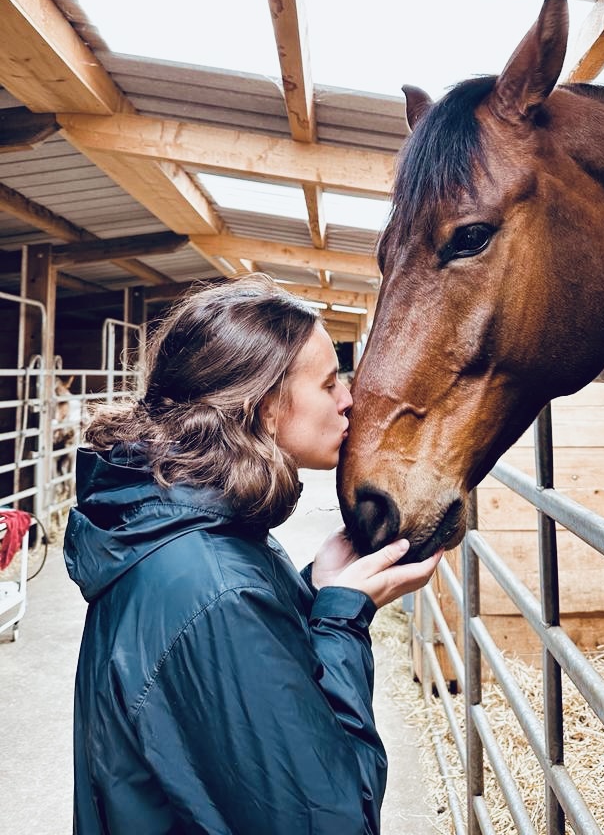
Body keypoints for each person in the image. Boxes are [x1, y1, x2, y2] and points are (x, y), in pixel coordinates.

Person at [64, 275, 442, 835]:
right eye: (329, 383)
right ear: (264, 408)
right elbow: (333, 820)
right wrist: (342, 621)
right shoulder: (216, 589)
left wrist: (317, 590)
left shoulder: (186, 528)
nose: (348, 400)